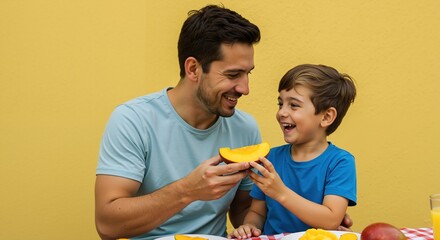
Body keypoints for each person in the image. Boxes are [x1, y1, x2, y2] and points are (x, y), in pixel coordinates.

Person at [95, 5, 262, 240]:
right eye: (233, 75)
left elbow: (244, 212)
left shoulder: (245, 128)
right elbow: (107, 224)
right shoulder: (133, 120)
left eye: (248, 74)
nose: (245, 88)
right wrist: (188, 190)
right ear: (193, 69)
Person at [229, 64, 357, 239]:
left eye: (294, 105)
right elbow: (257, 213)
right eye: (281, 103)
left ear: (326, 117)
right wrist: (249, 226)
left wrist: (280, 193)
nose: (282, 112)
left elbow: (331, 220)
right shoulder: (271, 158)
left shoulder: (340, 162)